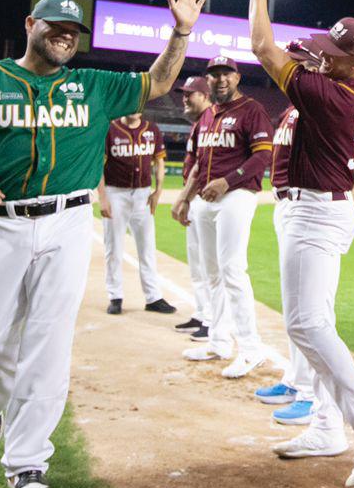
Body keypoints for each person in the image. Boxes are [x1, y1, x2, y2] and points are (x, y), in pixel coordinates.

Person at [0, 0, 203, 488]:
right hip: (0, 222)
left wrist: (182, 32)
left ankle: (27, 458)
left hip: (68, 223)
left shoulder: (93, 85)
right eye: (55, 26)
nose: (64, 37)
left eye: (73, 32)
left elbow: (160, 80)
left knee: (49, 342)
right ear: (30, 23)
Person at [247, 0, 354, 488]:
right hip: (324, 208)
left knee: (306, 323)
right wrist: (352, 202)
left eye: (330, 52)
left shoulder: (330, 94)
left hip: (314, 211)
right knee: (316, 320)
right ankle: (326, 425)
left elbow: (262, 45)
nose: (319, 56)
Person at [251, 42, 333, 427]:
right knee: (295, 308)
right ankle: (296, 379)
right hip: (288, 204)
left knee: (313, 312)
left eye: (301, 59)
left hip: (313, 208)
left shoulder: (320, 102)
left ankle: (312, 397)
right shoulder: (290, 108)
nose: (294, 64)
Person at [181, 54, 272, 377]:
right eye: (215, 75)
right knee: (213, 274)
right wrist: (185, 198)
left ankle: (251, 348)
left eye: (227, 74)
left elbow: (263, 156)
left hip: (236, 195)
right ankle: (219, 341)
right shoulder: (207, 118)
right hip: (206, 198)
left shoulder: (251, 110)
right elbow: (196, 163)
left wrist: (228, 180)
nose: (221, 80)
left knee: (232, 270)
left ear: (237, 78)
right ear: (208, 80)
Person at [98, 111, 173, 315]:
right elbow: (98, 165)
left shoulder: (152, 129)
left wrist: (158, 190)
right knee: (114, 247)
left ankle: (153, 297)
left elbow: (159, 161)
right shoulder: (110, 129)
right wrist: (103, 197)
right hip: (116, 193)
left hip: (143, 194)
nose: (134, 108)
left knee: (148, 247)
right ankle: (115, 296)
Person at [171, 75, 213, 335]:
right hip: (196, 198)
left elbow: (201, 166)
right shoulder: (200, 124)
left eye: (191, 94)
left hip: (204, 198)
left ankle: (212, 321)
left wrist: (184, 197)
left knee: (209, 266)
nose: (184, 98)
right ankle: (202, 313)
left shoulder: (210, 120)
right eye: (184, 93)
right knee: (197, 264)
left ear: (205, 95)